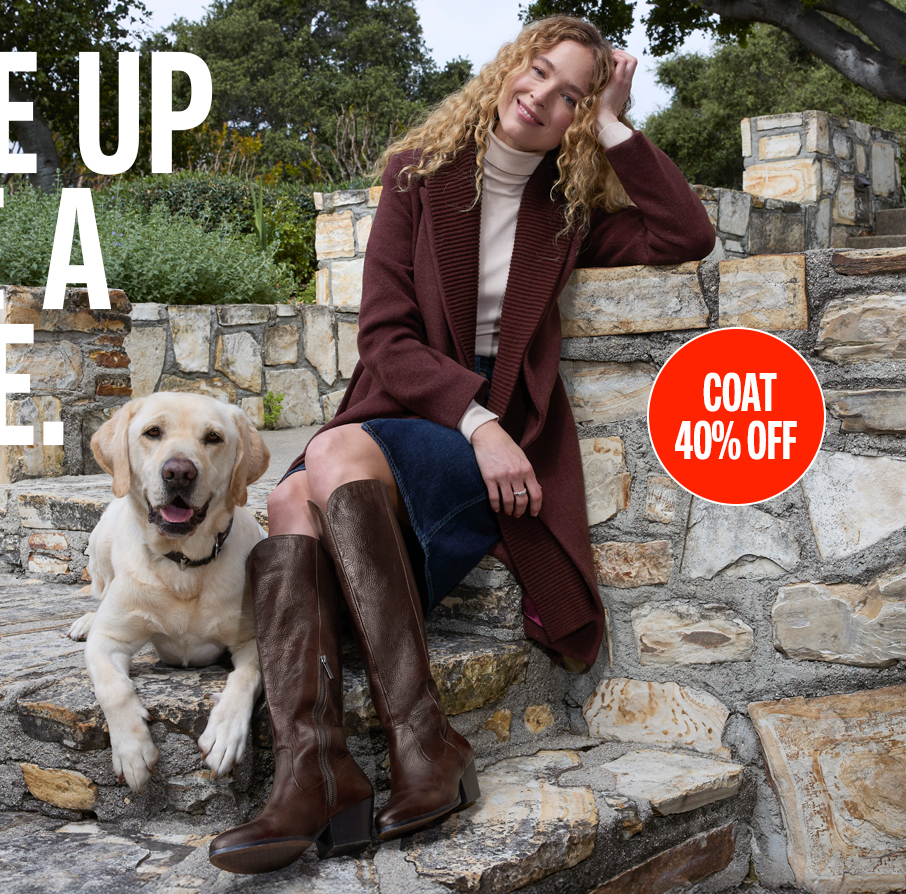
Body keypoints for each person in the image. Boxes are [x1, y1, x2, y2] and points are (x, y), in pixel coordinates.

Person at [207, 15, 715, 875]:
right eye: (539, 72)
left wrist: (619, 127)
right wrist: (476, 424)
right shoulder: (419, 177)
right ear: (512, 64)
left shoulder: (572, 205)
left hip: (493, 441)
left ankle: (400, 750)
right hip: (429, 413)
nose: (542, 98)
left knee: (319, 471)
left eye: (570, 97)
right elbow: (386, 342)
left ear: (579, 117)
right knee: (291, 495)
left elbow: (685, 234)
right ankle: (324, 766)